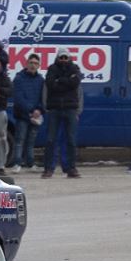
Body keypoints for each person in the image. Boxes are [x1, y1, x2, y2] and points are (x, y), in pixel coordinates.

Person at [42, 48, 84, 178]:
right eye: (61, 57)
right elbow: (50, 84)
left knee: (71, 140)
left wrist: (59, 80)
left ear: (69, 58)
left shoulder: (75, 69)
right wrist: (67, 81)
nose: (64, 60)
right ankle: (48, 169)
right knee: (50, 140)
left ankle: (71, 168)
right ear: (57, 58)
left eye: (66, 57)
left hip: (70, 109)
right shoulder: (51, 69)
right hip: (54, 108)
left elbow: (75, 83)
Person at [11, 53, 45, 171]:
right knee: (19, 140)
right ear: (26, 64)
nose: (33, 65)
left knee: (31, 141)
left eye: (36, 63)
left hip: (36, 116)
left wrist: (39, 110)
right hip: (22, 115)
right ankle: (17, 164)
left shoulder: (41, 80)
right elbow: (18, 97)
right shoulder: (19, 78)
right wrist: (31, 110)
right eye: (31, 63)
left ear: (39, 65)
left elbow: (43, 97)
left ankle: (30, 164)